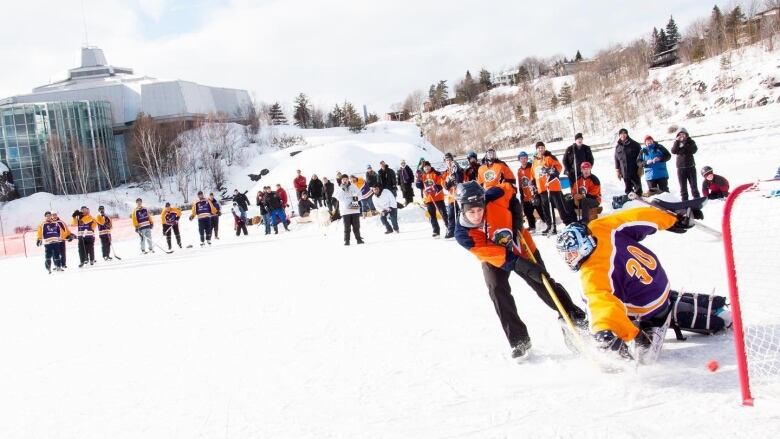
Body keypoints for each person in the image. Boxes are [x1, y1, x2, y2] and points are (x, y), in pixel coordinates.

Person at [454, 181, 587, 361]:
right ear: (462, 209)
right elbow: (499, 256)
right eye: (471, 212)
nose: (477, 215)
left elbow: (511, 190)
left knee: (543, 282)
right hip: (494, 258)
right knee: (497, 291)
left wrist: (516, 216)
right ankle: (519, 341)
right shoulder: (463, 233)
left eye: (480, 209)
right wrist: (521, 265)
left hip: (522, 245)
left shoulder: (495, 196)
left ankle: (574, 318)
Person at [554, 207, 695, 364]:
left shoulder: (592, 273)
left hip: (647, 306)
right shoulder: (600, 227)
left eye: (571, 253)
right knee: (613, 289)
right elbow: (636, 217)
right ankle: (666, 308)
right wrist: (671, 219)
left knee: (600, 311)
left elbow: (601, 304)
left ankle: (648, 330)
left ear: (584, 245)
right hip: (658, 280)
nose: (568, 259)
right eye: (565, 255)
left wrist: (616, 332)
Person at [532, 141, 574, 234]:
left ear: (544, 148)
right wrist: (533, 185)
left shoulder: (549, 157)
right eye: (539, 148)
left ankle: (568, 223)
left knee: (560, 206)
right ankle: (549, 226)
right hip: (542, 189)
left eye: (542, 147)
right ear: (536, 149)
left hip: (552, 187)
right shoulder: (534, 161)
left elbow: (559, 167)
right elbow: (533, 175)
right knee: (546, 208)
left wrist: (551, 170)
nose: (540, 149)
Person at [416, 161, 448, 237]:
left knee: (443, 214)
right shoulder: (422, 175)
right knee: (432, 215)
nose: (426, 168)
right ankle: (436, 231)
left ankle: (449, 228)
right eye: (425, 167)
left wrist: (434, 188)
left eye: (427, 166)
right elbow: (419, 186)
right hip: (429, 199)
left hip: (438, 197)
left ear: (430, 166)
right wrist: (418, 179)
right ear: (423, 168)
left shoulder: (436, 173)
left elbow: (440, 184)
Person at [333, 174, 364, 245]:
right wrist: (342, 189)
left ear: (348, 180)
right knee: (346, 227)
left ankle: (359, 239)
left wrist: (355, 198)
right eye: (343, 179)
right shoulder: (338, 188)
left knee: (356, 226)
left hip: (354, 208)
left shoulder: (353, 186)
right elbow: (336, 197)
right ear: (341, 180)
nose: (345, 181)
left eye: (346, 179)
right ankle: (347, 241)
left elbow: (360, 195)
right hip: (345, 211)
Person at [516, 151, 543, 231]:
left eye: (525, 158)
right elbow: (520, 183)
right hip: (525, 194)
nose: (523, 160)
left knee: (540, 209)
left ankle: (546, 223)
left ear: (527, 159)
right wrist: (521, 194)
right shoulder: (519, 170)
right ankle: (532, 226)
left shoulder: (531, 167)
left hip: (534, 193)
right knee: (528, 212)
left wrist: (536, 191)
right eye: (521, 159)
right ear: (519, 160)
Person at [671, 127, 700, 201]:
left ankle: (696, 198)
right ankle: (684, 200)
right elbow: (674, 151)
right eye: (680, 135)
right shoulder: (676, 143)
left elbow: (694, 150)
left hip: (691, 167)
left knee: (693, 185)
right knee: (683, 187)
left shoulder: (690, 141)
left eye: (683, 134)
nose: (682, 136)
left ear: (686, 135)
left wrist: (685, 145)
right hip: (680, 168)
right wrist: (677, 142)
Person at [614, 128, 643, 196]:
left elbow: (641, 156)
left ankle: (640, 200)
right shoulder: (618, 146)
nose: (623, 135)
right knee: (628, 190)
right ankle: (631, 202)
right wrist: (617, 170)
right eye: (621, 134)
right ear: (619, 135)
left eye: (624, 133)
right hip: (624, 172)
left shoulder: (635, 144)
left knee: (638, 189)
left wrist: (641, 167)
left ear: (627, 134)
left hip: (634, 170)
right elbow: (616, 159)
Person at [442, 152, 464, 239]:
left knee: (460, 213)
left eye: (449, 159)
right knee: (451, 214)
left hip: (458, 194)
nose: (448, 161)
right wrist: (448, 182)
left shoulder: (456, 168)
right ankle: (451, 231)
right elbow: (444, 185)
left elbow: (461, 178)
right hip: (451, 196)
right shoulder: (445, 172)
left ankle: (461, 230)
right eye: (446, 160)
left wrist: (457, 173)